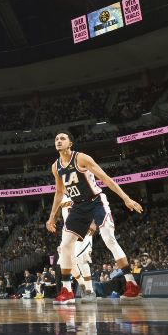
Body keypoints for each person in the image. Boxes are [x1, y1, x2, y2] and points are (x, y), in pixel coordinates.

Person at [46, 131, 143, 305]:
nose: (58, 141)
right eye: (56, 139)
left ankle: (132, 283)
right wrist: (52, 216)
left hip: (96, 202)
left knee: (109, 239)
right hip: (78, 207)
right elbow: (59, 192)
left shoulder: (81, 158)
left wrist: (125, 198)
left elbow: (105, 178)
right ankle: (67, 290)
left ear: (70, 143)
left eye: (62, 138)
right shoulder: (56, 166)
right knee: (66, 245)